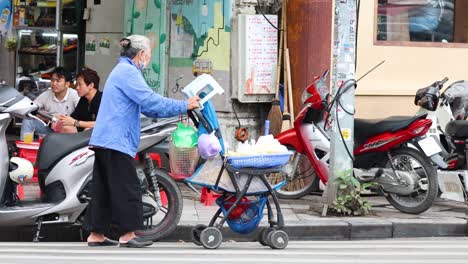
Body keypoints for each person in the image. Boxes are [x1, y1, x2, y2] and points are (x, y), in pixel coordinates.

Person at [85, 35, 200, 248]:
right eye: (147, 55)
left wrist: (178, 107)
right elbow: (149, 100)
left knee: (105, 188)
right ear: (140, 54)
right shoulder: (128, 72)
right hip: (116, 139)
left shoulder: (122, 70)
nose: (148, 59)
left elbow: (146, 106)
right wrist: (183, 106)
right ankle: (127, 235)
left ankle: (97, 234)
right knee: (126, 186)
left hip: (106, 138)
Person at [20, 67, 80, 140]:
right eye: (52, 80)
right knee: (28, 120)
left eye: (58, 81)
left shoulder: (75, 95)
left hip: (69, 133)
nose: (54, 84)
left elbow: (80, 118)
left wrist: (61, 120)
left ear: (67, 84)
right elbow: (30, 110)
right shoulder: (46, 95)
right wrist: (46, 117)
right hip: (50, 131)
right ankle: (26, 147)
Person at [58, 68, 102, 133]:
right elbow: (74, 117)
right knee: (65, 127)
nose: (77, 88)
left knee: (88, 131)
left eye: (80, 84)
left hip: (102, 135)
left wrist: (75, 122)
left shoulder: (102, 99)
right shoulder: (83, 99)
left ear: (91, 85)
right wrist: (62, 118)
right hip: (83, 132)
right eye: (76, 84)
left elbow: (101, 124)